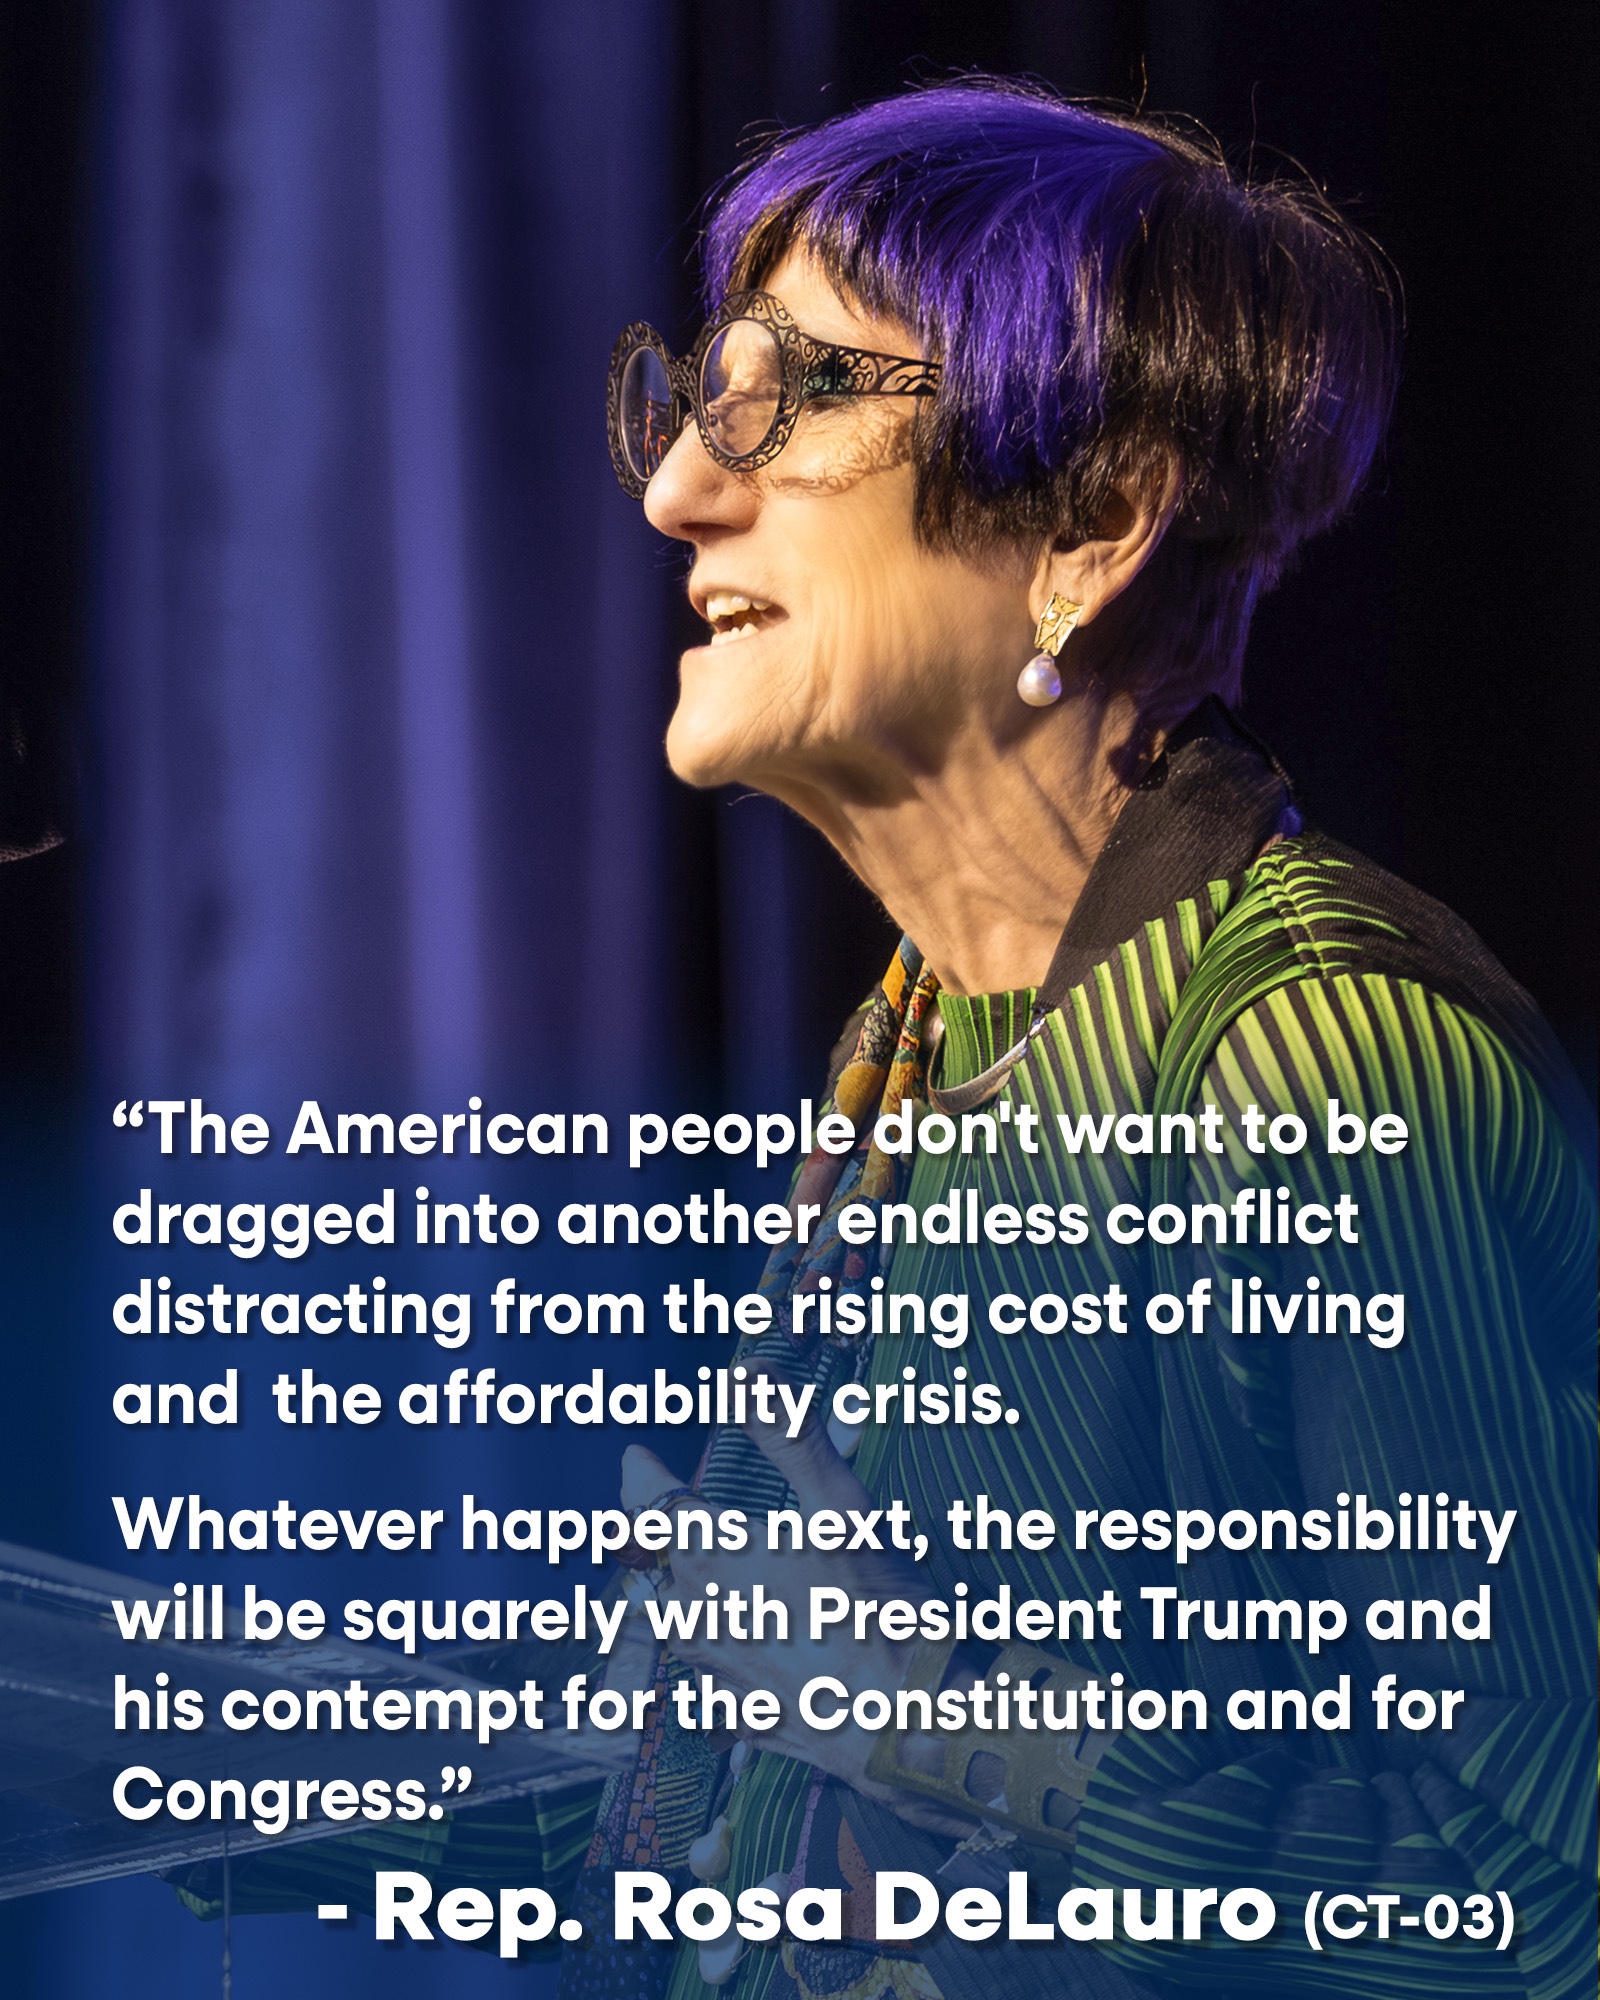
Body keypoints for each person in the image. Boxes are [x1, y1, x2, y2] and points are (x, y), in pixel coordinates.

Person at [171, 81, 1595, 2000]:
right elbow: (734, 1826)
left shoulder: (1317, 1062)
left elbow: (1530, 1885)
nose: (679, 492)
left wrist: (945, 1724)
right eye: (700, 399)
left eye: (794, 399)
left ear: (1093, 518)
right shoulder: (916, 1040)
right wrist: (228, 1769)